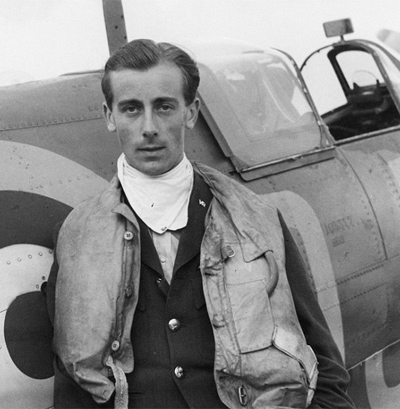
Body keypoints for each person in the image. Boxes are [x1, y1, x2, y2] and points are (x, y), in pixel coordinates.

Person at [46, 39, 354, 408]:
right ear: (109, 116)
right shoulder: (78, 235)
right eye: (131, 109)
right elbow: (72, 385)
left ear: (190, 112)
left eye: (164, 107)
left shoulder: (257, 219)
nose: (149, 127)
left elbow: (325, 366)